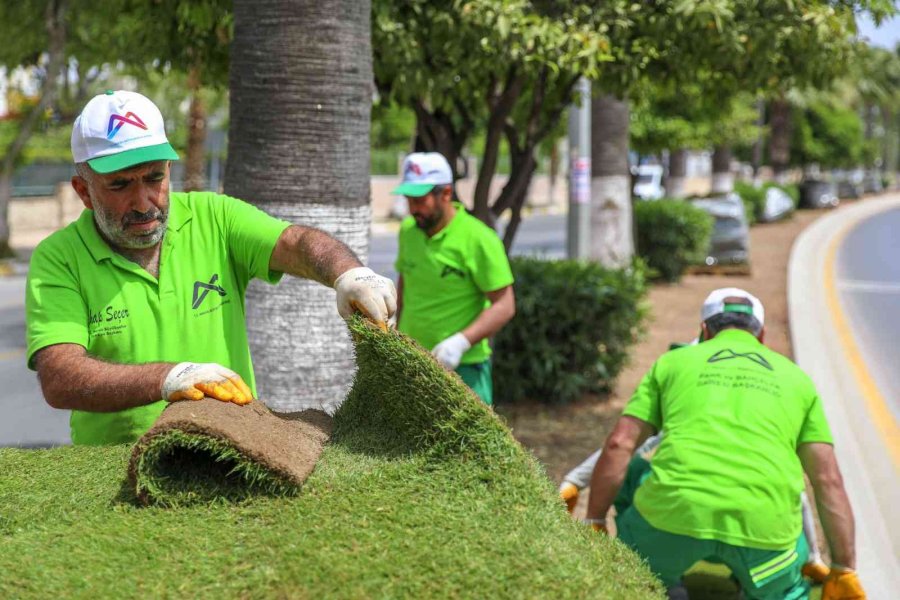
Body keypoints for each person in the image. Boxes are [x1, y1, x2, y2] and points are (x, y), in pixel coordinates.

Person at [25, 90, 396, 446]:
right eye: (119, 185)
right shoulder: (59, 258)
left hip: (232, 447)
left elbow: (294, 242)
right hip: (113, 465)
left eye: (154, 178)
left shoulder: (213, 217)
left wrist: (348, 273)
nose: (142, 202)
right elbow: (60, 377)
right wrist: (168, 379)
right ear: (83, 191)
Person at [585, 288, 864, 600]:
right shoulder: (798, 380)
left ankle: (658, 581)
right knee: (785, 587)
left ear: (704, 331)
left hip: (670, 523)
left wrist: (594, 520)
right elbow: (828, 479)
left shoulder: (672, 363)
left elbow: (619, 445)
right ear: (762, 336)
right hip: (765, 537)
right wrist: (844, 567)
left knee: (636, 471)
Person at [392, 152, 515, 405]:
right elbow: (407, 278)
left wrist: (460, 342)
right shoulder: (408, 232)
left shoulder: (479, 238)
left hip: (465, 369)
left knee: (469, 444)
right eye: (409, 200)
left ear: (446, 194)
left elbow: (505, 305)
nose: (413, 209)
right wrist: (394, 317)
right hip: (413, 361)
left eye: (420, 200)